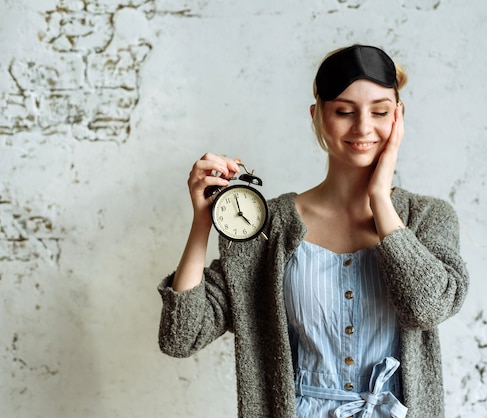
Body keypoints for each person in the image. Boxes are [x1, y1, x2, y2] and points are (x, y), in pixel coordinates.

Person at [158, 44, 469, 418]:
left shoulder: (427, 217)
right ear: (318, 116)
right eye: (344, 111)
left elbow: (428, 307)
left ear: (398, 116)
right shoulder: (268, 227)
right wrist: (202, 222)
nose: (364, 127)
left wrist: (380, 199)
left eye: (381, 111)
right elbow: (181, 337)